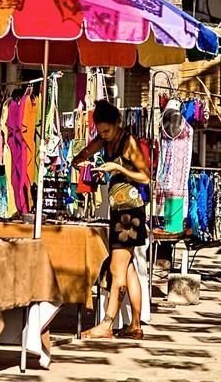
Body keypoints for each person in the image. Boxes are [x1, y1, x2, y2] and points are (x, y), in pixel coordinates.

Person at [75, 100, 151, 340]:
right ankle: (135, 325)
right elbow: (86, 152)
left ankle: (107, 324)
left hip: (131, 212)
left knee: (117, 269)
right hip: (119, 210)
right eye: (100, 131)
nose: (104, 136)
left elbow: (146, 177)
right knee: (128, 270)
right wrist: (80, 160)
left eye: (107, 131)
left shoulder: (128, 143)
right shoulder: (105, 141)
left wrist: (117, 169)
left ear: (117, 124)